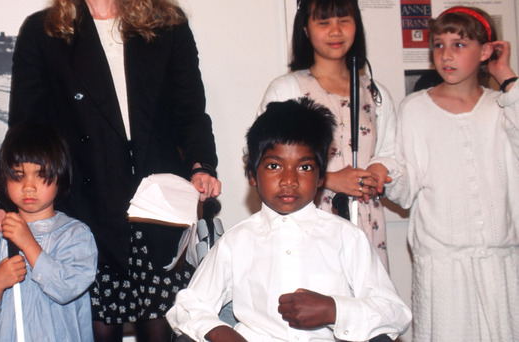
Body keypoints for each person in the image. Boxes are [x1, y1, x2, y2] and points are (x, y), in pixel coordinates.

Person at [0, 0, 221, 340]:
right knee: (96, 331)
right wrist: (3, 204)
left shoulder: (169, 24)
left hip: (157, 204)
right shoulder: (43, 32)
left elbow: (190, 111)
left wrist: (201, 165)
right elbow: (24, 130)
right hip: (85, 207)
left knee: (159, 328)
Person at [167, 98, 411, 341]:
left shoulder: (347, 238)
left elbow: (394, 312)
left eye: (304, 168)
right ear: (252, 175)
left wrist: (334, 310)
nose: (289, 180)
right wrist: (220, 333)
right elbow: (188, 307)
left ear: (321, 178)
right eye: (274, 166)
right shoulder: (236, 242)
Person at [389, 6, 519, 341]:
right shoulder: (415, 109)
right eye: (438, 45)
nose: (446, 55)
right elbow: (405, 189)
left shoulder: (502, 106)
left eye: (459, 45)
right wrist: (385, 175)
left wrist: (506, 76)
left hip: (500, 263)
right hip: (443, 268)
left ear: (486, 51)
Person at [259, 0, 398, 269]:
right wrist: (330, 179)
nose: (336, 32)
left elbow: (391, 151)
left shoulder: (375, 92)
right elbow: (262, 158)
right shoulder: (288, 88)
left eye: (344, 21)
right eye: (324, 22)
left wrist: (378, 170)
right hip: (307, 217)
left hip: (365, 220)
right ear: (306, 29)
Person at [0, 123, 98, 341]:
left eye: (41, 175)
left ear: (60, 176)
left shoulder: (75, 234)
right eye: (18, 175)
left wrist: (28, 244)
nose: (28, 186)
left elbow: (66, 288)